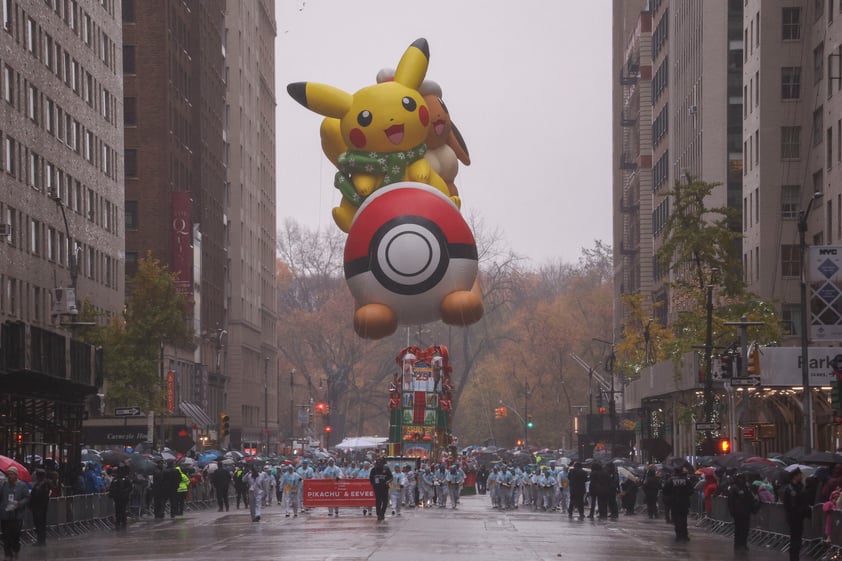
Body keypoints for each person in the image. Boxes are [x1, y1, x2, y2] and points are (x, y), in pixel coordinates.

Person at [0, 467, 30, 561]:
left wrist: (19, 504)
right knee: (6, 535)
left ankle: (15, 549)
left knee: (15, 535)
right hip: (5, 515)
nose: (9, 476)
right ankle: (7, 554)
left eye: (11, 474)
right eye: (8, 474)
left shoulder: (22, 485)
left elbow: (27, 497)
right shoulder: (4, 485)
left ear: (16, 475)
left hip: (16, 515)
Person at [782, 467, 811, 561]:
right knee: (795, 540)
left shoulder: (799, 487)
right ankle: (794, 558)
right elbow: (791, 505)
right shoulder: (791, 489)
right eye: (799, 475)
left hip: (798, 517)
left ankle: (795, 557)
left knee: (797, 540)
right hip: (794, 518)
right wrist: (801, 511)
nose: (801, 476)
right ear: (795, 476)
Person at [728, 473, 758, 553]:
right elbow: (731, 501)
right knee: (738, 528)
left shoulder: (746, 488)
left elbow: (750, 499)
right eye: (739, 478)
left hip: (746, 511)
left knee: (745, 528)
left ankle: (743, 543)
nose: (741, 480)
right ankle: (738, 544)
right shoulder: (734, 488)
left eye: (742, 478)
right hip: (738, 512)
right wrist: (732, 511)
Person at [662, 465, 694, 541]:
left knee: (676, 519)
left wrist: (669, 498)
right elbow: (692, 490)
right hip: (684, 502)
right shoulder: (686, 480)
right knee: (683, 518)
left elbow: (665, 491)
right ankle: (685, 534)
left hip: (674, 502)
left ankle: (678, 535)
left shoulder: (670, 480)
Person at [29, 468, 53, 546]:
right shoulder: (38, 484)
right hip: (36, 507)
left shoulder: (44, 484)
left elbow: (42, 496)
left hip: (40, 507)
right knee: (38, 523)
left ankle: (41, 540)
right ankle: (40, 539)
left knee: (40, 523)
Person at [108, 465, 133, 530]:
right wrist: (112, 494)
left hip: (123, 497)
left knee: (122, 509)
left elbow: (130, 487)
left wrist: (125, 492)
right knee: (118, 509)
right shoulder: (115, 479)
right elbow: (112, 488)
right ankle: (119, 521)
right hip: (117, 498)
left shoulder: (126, 479)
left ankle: (123, 521)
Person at [369, 457, 393, 522]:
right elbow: (371, 479)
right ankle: (379, 514)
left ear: (382, 463)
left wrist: (388, 481)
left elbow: (391, 477)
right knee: (378, 501)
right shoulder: (373, 470)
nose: (378, 464)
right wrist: (374, 483)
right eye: (377, 463)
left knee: (385, 502)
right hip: (377, 488)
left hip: (385, 488)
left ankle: (382, 513)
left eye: (379, 463)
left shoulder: (386, 469)